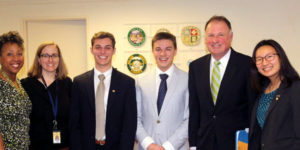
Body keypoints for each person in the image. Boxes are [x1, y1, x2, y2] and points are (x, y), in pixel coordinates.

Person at [188, 15, 256, 150]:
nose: (215, 40)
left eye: (220, 35)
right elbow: (194, 109)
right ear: (205, 39)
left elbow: (253, 107)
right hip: (204, 142)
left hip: (237, 143)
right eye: (211, 35)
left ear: (231, 37)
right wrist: (193, 144)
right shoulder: (196, 67)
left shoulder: (247, 64)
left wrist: (251, 141)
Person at [70, 31, 137, 150]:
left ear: (114, 51)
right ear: (91, 50)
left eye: (107, 48)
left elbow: (129, 124)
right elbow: (74, 123)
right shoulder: (79, 82)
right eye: (98, 47)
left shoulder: (127, 83)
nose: (102, 52)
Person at [136, 32, 189, 150]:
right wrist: (148, 144)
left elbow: (189, 119)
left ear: (175, 51)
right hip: (147, 147)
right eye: (158, 49)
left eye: (168, 49)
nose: (163, 54)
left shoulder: (187, 80)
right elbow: (135, 118)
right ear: (152, 51)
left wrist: (168, 147)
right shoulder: (140, 80)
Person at [248, 39, 300, 150]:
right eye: (259, 59)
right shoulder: (261, 91)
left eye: (270, 56)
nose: (265, 62)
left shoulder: (295, 88)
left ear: (281, 58)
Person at [21, 42, 72, 150]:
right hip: (35, 145)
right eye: (45, 55)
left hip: (63, 146)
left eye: (54, 55)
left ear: (59, 58)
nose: (50, 60)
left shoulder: (67, 83)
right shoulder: (26, 85)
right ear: (39, 59)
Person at [0, 31, 31, 149]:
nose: (16, 59)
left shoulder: (18, 82)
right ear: (0, 58)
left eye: (19, 53)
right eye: (9, 54)